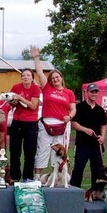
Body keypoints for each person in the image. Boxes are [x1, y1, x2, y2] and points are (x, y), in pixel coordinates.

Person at [32, 46, 76, 179]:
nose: (55, 79)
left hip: (62, 125)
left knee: (60, 152)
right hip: (47, 124)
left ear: (62, 78)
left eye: (57, 77)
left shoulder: (69, 93)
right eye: (53, 78)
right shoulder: (47, 89)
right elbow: (40, 73)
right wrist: (36, 57)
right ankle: (37, 178)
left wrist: (70, 116)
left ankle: (56, 178)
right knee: (43, 151)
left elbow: (73, 109)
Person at [70, 83, 107, 190]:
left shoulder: (100, 110)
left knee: (97, 170)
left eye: (96, 92)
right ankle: (74, 191)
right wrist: (85, 130)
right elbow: (73, 124)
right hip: (82, 144)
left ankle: (96, 193)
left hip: (96, 145)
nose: (94, 94)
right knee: (78, 169)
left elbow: (103, 126)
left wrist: (103, 137)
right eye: (92, 92)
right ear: (87, 93)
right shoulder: (79, 107)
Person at [7, 68, 41, 181]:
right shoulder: (16, 87)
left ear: (32, 78)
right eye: (23, 75)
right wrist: (13, 102)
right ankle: (14, 176)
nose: (25, 77)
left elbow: (33, 106)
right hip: (17, 121)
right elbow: (11, 103)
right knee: (15, 151)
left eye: (28, 75)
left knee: (29, 151)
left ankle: (28, 177)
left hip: (31, 123)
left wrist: (21, 98)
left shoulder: (36, 88)